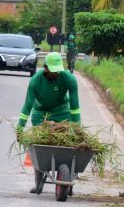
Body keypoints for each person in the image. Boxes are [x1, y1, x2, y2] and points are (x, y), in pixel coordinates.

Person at [17, 52, 81, 194]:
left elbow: (75, 107)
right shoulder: (35, 80)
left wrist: (77, 128)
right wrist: (20, 128)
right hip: (41, 113)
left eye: (57, 70)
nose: (55, 73)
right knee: (40, 146)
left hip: (62, 112)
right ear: (45, 67)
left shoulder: (69, 79)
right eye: (52, 70)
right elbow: (27, 106)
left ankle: (69, 182)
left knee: (69, 144)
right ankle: (39, 183)